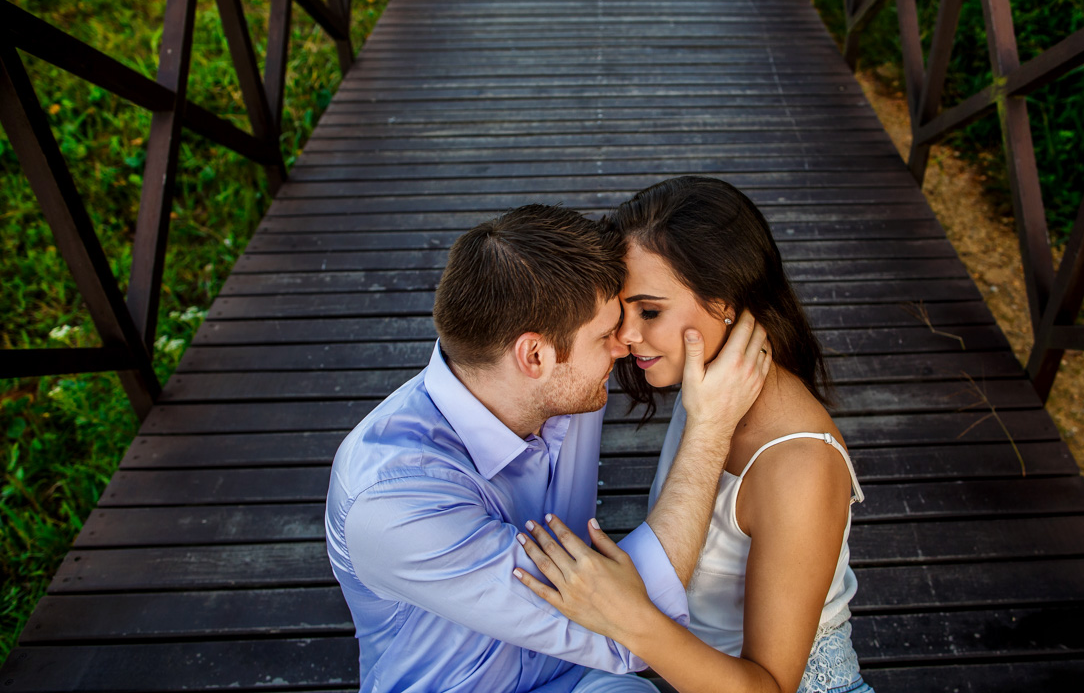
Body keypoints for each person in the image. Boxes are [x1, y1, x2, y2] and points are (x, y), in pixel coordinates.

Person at [325, 203, 772, 692]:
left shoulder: (554, 386)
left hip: (572, 676)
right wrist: (710, 427)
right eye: (605, 335)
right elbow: (628, 630)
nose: (623, 345)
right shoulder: (392, 500)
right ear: (534, 355)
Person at [514, 177, 876, 693]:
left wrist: (625, 614)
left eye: (650, 311)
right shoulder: (710, 392)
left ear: (724, 302)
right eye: (623, 310)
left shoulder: (799, 466)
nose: (625, 336)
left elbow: (771, 687)